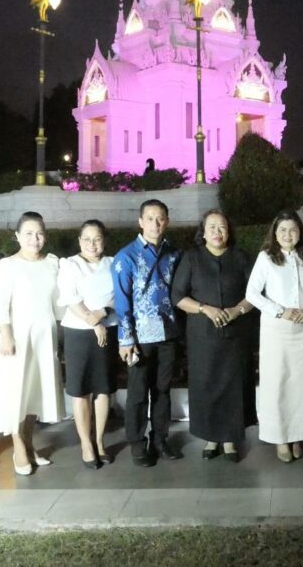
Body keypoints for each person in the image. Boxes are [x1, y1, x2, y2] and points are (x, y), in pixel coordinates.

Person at [172, 209, 256, 461]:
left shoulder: (241, 257)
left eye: (222, 227)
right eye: (212, 227)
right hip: (203, 336)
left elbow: (255, 294)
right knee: (206, 385)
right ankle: (211, 438)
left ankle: (230, 440)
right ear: (203, 232)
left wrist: (237, 310)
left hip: (236, 334)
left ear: (228, 231)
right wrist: (204, 308)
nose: (217, 232)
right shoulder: (191, 258)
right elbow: (177, 296)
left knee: (233, 387)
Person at [0, 211, 65, 476]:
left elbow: (59, 303)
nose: (34, 238)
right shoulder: (8, 265)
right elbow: (1, 304)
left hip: (45, 337)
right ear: (17, 236)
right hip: (17, 337)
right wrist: (6, 334)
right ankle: (18, 444)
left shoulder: (52, 263)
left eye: (39, 233)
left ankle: (29, 443)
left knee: (36, 393)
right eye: (28, 233)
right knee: (16, 391)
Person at [246, 210, 303, 463]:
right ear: (275, 234)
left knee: (299, 384)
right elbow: (252, 293)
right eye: (283, 230)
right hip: (276, 330)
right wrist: (280, 311)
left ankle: (297, 435)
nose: (288, 235)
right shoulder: (266, 258)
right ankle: (279, 437)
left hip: (302, 329)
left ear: (300, 232)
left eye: (292, 229)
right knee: (277, 383)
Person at [112, 199, 182, 467]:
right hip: (140, 337)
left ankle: (160, 439)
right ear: (140, 221)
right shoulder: (126, 256)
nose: (155, 223)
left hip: (168, 334)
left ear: (167, 221)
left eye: (160, 218)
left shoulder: (173, 254)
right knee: (138, 392)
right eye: (150, 218)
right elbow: (122, 301)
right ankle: (137, 444)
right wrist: (126, 339)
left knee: (163, 390)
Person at [57, 219, 118, 469]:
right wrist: (93, 323)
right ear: (79, 241)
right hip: (78, 332)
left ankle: (100, 441)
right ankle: (86, 444)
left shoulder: (113, 263)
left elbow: (120, 295)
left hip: (109, 328)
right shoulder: (70, 264)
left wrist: (102, 314)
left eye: (97, 239)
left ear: (104, 241)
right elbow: (70, 297)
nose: (92, 244)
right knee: (80, 390)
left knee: (103, 389)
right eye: (87, 239)